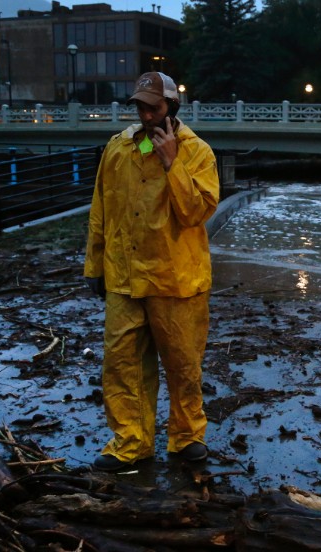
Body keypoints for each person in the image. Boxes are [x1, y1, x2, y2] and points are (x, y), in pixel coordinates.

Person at [83, 71, 220, 471]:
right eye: (140, 107)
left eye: (153, 107)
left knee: (182, 365)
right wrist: (95, 265)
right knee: (122, 365)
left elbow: (197, 212)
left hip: (176, 280)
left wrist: (172, 163)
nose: (145, 115)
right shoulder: (118, 149)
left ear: (172, 107)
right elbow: (101, 209)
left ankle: (186, 436)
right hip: (124, 279)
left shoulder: (197, 152)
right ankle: (131, 442)